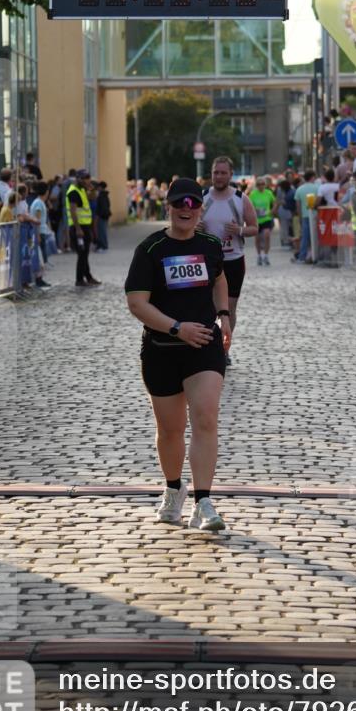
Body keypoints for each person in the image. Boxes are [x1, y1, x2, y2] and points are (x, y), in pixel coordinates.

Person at [125, 178, 231, 532]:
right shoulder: (151, 249)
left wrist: (224, 315)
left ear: (200, 208)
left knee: (206, 418)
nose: (186, 209)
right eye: (178, 204)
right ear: (168, 207)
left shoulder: (211, 245)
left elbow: (219, 279)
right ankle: (174, 489)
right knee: (170, 430)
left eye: (192, 204)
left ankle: (204, 501)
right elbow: (136, 303)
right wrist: (175, 327)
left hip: (204, 345)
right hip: (162, 349)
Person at [199, 156, 258, 366]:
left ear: (231, 175)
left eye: (223, 173)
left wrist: (239, 230)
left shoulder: (241, 198)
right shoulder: (203, 197)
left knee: (228, 309)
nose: (219, 176)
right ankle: (206, 349)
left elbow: (254, 227)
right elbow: (187, 225)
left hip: (233, 260)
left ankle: (224, 350)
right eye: (216, 172)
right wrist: (197, 229)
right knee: (205, 308)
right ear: (211, 174)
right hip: (206, 261)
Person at [66, 169, 100, 288]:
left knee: (85, 253)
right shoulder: (73, 192)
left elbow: (93, 197)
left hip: (85, 226)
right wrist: (78, 229)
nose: (87, 181)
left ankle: (88, 277)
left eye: (88, 178)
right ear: (79, 179)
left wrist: (92, 188)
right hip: (78, 228)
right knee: (82, 254)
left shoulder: (82, 189)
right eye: (85, 179)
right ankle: (79, 280)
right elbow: (73, 211)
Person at [293, 169, 320, 264]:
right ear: (312, 177)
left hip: (304, 216)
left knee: (305, 237)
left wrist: (300, 217)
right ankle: (317, 255)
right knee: (317, 237)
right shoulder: (318, 187)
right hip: (316, 215)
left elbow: (298, 206)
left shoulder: (299, 189)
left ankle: (302, 257)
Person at [250, 176, 276, 265]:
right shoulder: (253, 194)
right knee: (257, 239)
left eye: (263, 184)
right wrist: (254, 210)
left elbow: (275, 202)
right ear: (256, 185)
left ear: (265, 185)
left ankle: (266, 255)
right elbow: (249, 206)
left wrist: (272, 211)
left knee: (267, 235)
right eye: (259, 184)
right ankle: (259, 256)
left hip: (266, 218)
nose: (261, 186)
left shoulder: (268, 193)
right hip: (256, 219)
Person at [94, 181, 111, 251]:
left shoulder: (101, 196)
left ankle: (103, 246)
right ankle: (104, 245)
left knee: (101, 231)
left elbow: (100, 207)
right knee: (103, 231)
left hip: (101, 216)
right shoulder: (105, 195)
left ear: (100, 187)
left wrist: (97, 216)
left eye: (98, 187)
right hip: (105, 215)